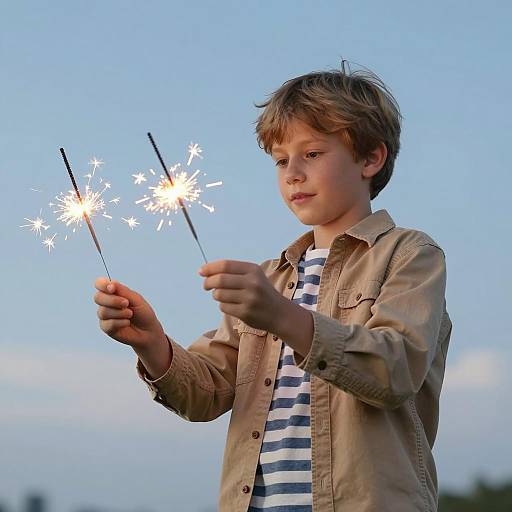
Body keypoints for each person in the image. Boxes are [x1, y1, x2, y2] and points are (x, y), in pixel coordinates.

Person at [93, 64, 452, 512]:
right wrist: (150, 344)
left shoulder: (409, 254)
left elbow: (394, 370)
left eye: (313, 154)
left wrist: (282, 316)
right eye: (281, 160)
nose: (293, 173)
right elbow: (207, 394)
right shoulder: (271, 279)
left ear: (370, 159)